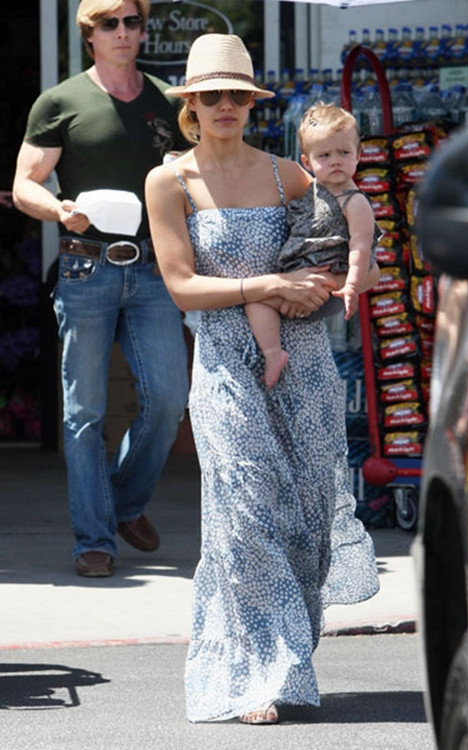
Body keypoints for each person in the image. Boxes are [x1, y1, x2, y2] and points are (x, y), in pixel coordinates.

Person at [145, 33, 380, 725]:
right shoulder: (169, 181)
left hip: (303, 361)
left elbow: (349, 253)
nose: (225, 105)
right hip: (224, 363)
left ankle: (288, 656)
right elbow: (181, 286)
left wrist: (327, 282)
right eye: (211, 95)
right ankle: (256, 676)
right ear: (191, 105)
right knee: (245, 514)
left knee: (305, 517)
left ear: (252, 104)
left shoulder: (289, 175)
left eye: (238, 95)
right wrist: (269, 284)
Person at [12, 0, 190, 578]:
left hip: (153, 267)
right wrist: (59, 209)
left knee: (170, 398)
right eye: (109, 23)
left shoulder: (169, 101)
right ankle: (94, 539)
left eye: (131, 22)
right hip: (85, 265)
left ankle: (124, 502)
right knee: (84, 412)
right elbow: (24, 183)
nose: (122, 32)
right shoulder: (61, 102)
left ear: (143, 30)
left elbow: (193, 178)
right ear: (89, 34)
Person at [245, 103, 382, 387]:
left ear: (359, 155)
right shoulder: (311, 190)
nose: (335, 161)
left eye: (344, 153)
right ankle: (274, 352)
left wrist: (349, 286)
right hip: (300, 277)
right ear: (307, 162)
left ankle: (273, 354)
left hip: (327, 285)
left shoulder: (354, 201)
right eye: (325, 155)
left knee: (257, 299)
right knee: (262, 299)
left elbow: (361, 247)